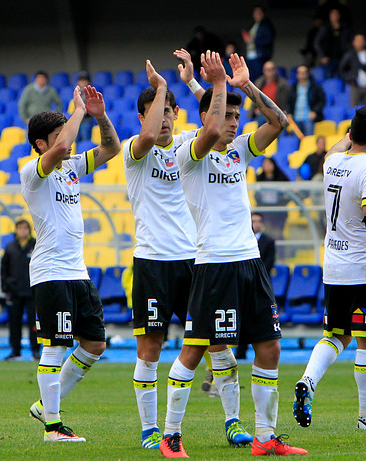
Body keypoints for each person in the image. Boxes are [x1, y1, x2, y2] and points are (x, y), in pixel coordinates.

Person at [161, 52, 307, 457]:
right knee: (194, 349)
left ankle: (265, 437)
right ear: (208, 115)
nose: (233, 122)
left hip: (250, 261)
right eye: (226, 115)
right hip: (214, 265)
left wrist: (245, 85)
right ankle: (170, 435)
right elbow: (208, 130)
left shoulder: (238, 150)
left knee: (269, 346)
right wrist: (217, 83)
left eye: (236, 117)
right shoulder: (188, 151)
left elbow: (279, 123)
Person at [125, 51, 250, 451]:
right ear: (142, 117)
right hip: (151, 262)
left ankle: (233, 422)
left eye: (166, 110)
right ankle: (149, 430)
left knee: (219, 344)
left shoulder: (185, 143)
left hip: (194, 260)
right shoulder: (135, 150)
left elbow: (211, 121)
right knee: (151, 347)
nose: (160, 118)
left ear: (177, 114)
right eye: (152, 111)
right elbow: (147, 137)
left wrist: (199, 82)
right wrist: (162, 86)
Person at [22, 84, 121, 441]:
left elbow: (111, 148)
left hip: (77, 272)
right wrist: (77, 110)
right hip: (51, 272)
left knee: (94, 344)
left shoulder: (72, 168)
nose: (65, 140)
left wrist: (100, 115)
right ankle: (52, 428)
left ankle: (45, 405)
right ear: (41, 145)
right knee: (56, 345)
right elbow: (65, 145)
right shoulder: (34, 171)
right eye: (56, 134)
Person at [293, 107, 366, 432]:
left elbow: (336, 149)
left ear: (349, 134)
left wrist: (347, 137)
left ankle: (309, 379)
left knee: (336, 335)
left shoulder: (332, 162)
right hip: (363, 269)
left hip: (333, 267)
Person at [237, 212, 277, 360]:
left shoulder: (269, 241)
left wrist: (255, 276)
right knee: (242, 317)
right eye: (253, 221)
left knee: (261, 318)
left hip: (261, 284)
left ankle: (264, 353)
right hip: (244, 285)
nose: (256, 224)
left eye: (258, 221)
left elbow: (269, 263)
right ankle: (241, 351)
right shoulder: (242, 240)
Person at [1, 219, 39, 361]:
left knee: (34, 324)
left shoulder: (35, 245)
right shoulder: (10, 247)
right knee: (14, 323)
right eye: (20, 228)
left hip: (32, 291)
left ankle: (35, 350)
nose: (23, 230)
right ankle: (15, 351)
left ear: (29, 230)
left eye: (25, 228)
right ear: (16, 230)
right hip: (14, 292)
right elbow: (4, 269)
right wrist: (7, 287)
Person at [339, 34, 366, 107]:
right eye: (358, 41)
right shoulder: (350, 55)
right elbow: (342, 69)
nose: (360, 43)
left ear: (365, 42)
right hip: (355, 86)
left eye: (361, 41)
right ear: (354, 43)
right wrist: (350, 79)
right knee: (354, 109)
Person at [286, 66, 326, 137]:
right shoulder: (293, 88)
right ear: (297, 75)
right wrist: (289, 113)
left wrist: (315, 111)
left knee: (308, 140)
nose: (302, 75)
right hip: (296, 118)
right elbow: (289, 102)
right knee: (295, 141)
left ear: (308, 74)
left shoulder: (315, 87)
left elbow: (322, 101)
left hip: (308, 118)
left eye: (304, 72)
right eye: (300, 73)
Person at [314, 8, 353, 78]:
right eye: (333, 15)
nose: (335, 16)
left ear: (339, 16)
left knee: (343, 78)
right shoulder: (325, 28)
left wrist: (349, 55)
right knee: (329, 78)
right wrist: (322, 56)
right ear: (330, 16)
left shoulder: (345, 28)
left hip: (343, 58)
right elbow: (316, 43)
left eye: (336, 14)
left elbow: (352, 42)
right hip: (329, 59)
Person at [242, 5, 276, 82]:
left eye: (259, 13)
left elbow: (268, 40)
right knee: (251, 78)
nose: (256, 15)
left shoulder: (266, 25)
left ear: (263, 14)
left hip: (260, 55)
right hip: (250, 55)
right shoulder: (254, 25)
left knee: (259, 78)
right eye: (255, 13)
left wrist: (253, 40)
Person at [75, 72, 94, 142]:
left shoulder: (90, 92)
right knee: (76, 141)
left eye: (84, 80)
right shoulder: (78, 92)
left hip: (86, 120)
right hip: (78, 120)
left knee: (85, 141)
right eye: (80, 80)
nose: (82, 82)